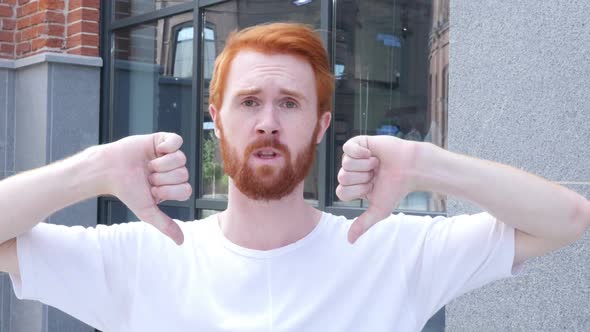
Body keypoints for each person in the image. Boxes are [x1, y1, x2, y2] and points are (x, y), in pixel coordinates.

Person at [0, 22, 588, 332]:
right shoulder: (138, 259)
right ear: (217, 118)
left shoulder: (390, 254)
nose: (268, 123)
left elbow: (567, 218)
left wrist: (427, 162)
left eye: (290, 104)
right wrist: (94, 169)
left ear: (320, 124)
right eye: (249, 102)